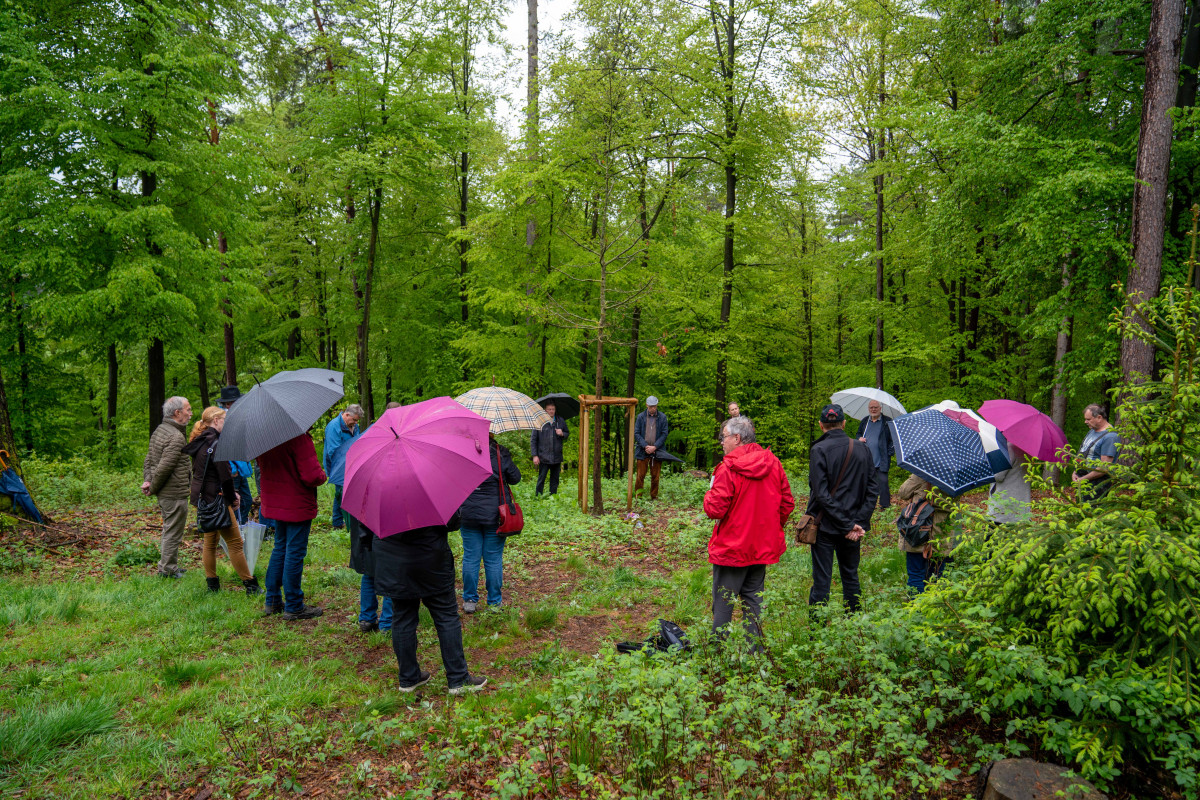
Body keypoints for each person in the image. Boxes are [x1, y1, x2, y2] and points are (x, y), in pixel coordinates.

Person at [370, 512, 487, 694]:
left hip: (394, 562)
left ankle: (408, 678)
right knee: (446, 617)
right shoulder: (432, 485)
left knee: (403, 618)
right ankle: (457, 679)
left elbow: (366, 529)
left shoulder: (377, 490)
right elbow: (453, 522)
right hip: (431, 559)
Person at [703, 415, 794, 645]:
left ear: (737, 438)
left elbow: (715, 509)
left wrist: (708, 494)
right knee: (753, 601)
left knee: (723, 602)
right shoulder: (773, 463)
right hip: (760, 547)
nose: (721, 442)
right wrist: (769, 528)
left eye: (723, 437)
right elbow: (787, 503)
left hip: (732, 549)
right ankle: (755, 656)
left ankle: (716, 654)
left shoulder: (727, 468)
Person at [805, 404, 877, 612]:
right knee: (850, 576)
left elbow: (821, 494)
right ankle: (854, 626)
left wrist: (851, 524)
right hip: (852, 527)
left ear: (821, 425)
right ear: (844, 424)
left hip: (827, 526)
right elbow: (873, 489)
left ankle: (817, 634)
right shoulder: (862, 448)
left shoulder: (819, 449)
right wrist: (857, 523)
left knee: (821, 581)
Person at [182, 407, 259, 594]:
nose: (227, 423)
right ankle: (251, 586)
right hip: (217, 499)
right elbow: (225, 477)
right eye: (225, 419)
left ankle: (212, 585)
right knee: (235, 542)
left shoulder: (200, 441)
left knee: (210, 541)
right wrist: (233, 499)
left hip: (203, 498)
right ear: (216, 420)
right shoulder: (216, 444)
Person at [258, 429, 328, 621]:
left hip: (275, 500)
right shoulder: (298, 438)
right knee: (294, 551)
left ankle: (272, 600)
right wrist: (323, 474)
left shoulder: (265, 437)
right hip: (296, 502)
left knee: (280, 547)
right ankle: (294, 605)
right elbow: (312, 476)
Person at [456, 433, 521, 613]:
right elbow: (515, 478)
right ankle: (494, 602)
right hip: (495, 515)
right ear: (491, 433)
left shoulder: (462, 453)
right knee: (493, 559)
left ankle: (469, 600)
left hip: (468, 514)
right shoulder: (500, 453)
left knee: (470, 557)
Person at [142, 396, 194, 578]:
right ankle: (167, 570)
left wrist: (148, 480)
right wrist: (152, 486)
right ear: (177, 413)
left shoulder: (161, 430)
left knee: (169, 529)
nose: (191, 414)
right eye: (188, 410)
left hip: (168, 491)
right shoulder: (175, 436)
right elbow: (164, 467)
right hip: (173, 492)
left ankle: (169, 566)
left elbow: (149, 459)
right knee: (173, 532)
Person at [894, 474, 957, 593]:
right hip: (942, 530)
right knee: (937, 574)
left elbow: (903, 492)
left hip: (919, 528)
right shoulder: (954, 477)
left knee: (916, 573)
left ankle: (916, 609)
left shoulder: (922, 473)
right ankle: (935, 607)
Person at [346, 511, 392, 633]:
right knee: (390, 573)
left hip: (364, 525)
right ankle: (387, 623)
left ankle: (367, 619)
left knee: (369, 570)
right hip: (379, 526)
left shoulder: (358, 492)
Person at [323, 404, 363, 529]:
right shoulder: (334, 427)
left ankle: (345, 519)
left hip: (351, 463)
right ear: (346, 415)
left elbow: (358, 442)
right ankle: (338, 522)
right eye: (354, 420)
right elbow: (334, 451)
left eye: (357, 421)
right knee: (340, 492)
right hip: (338, 464)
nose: (356, 423)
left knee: (348, 491)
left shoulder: (354, 426)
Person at [217, 386, 254, 525]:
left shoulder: (237, 417)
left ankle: (241, 527)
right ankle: (234, 530)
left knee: (247, 500)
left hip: (240, 469)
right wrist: (232, 469)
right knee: (234, 502)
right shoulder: (223, 421)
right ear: (228, 404)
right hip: (233, 471)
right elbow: (222, 447)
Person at [1072, 404, 1119, 500]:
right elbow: (1084, 452)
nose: (1085, 422)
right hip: (1083, 480)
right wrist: (1075, 472)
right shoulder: (1092, 430)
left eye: (1088, 419)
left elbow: (1103, 468)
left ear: (1099, 417)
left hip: (1097, 485)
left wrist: (1083, 479)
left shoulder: (1110, 437)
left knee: (1093, 512)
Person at [855, 400, 894, 510]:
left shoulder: (887, 421)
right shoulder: (865, 421)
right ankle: (864, 504)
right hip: (865, 459)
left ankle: (884, 505)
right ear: (868, 408)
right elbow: (858, 434)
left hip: (881, 459)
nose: (873, 409)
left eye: (875, 407)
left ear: (880, 408)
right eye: (871, 407)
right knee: (864, 483)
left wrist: (889, 453)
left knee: (883, 483)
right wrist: (859, 439)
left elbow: (893, 440)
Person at [634, 396, 669, 500]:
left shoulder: (662, 417)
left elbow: (664, 433)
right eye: (650, 407)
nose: (652, 408)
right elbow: (637, 433)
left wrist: (655, 446)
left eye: (654, 406)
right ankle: (638, 497)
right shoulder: (640, 417)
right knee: (640, 475)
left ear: (657, 405)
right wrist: (645, 446)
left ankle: (654, 496)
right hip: (642, 450)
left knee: (655, 476)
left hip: (657, 450)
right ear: (646, 405)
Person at [531, 401, 569, 496]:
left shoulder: (560, 421)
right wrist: (535, 455)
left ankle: (553, 497)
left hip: (557, 456)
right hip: (543, 456)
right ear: (545, 410)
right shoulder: (539, 421)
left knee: (555, 480)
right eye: (549, 409)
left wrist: (562, 433)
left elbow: (567, 433)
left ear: (555, 410)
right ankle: (538, 497)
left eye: (553, 409)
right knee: (541, 479)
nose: (551, 411)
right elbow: (533, 440)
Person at [988, 443, 1031, 526]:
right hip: (1022, 503)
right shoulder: (1027, 450)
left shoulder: (1008, 448)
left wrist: (991, 461)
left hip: (1003, 504)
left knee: (994, 536)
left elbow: (998, 476)